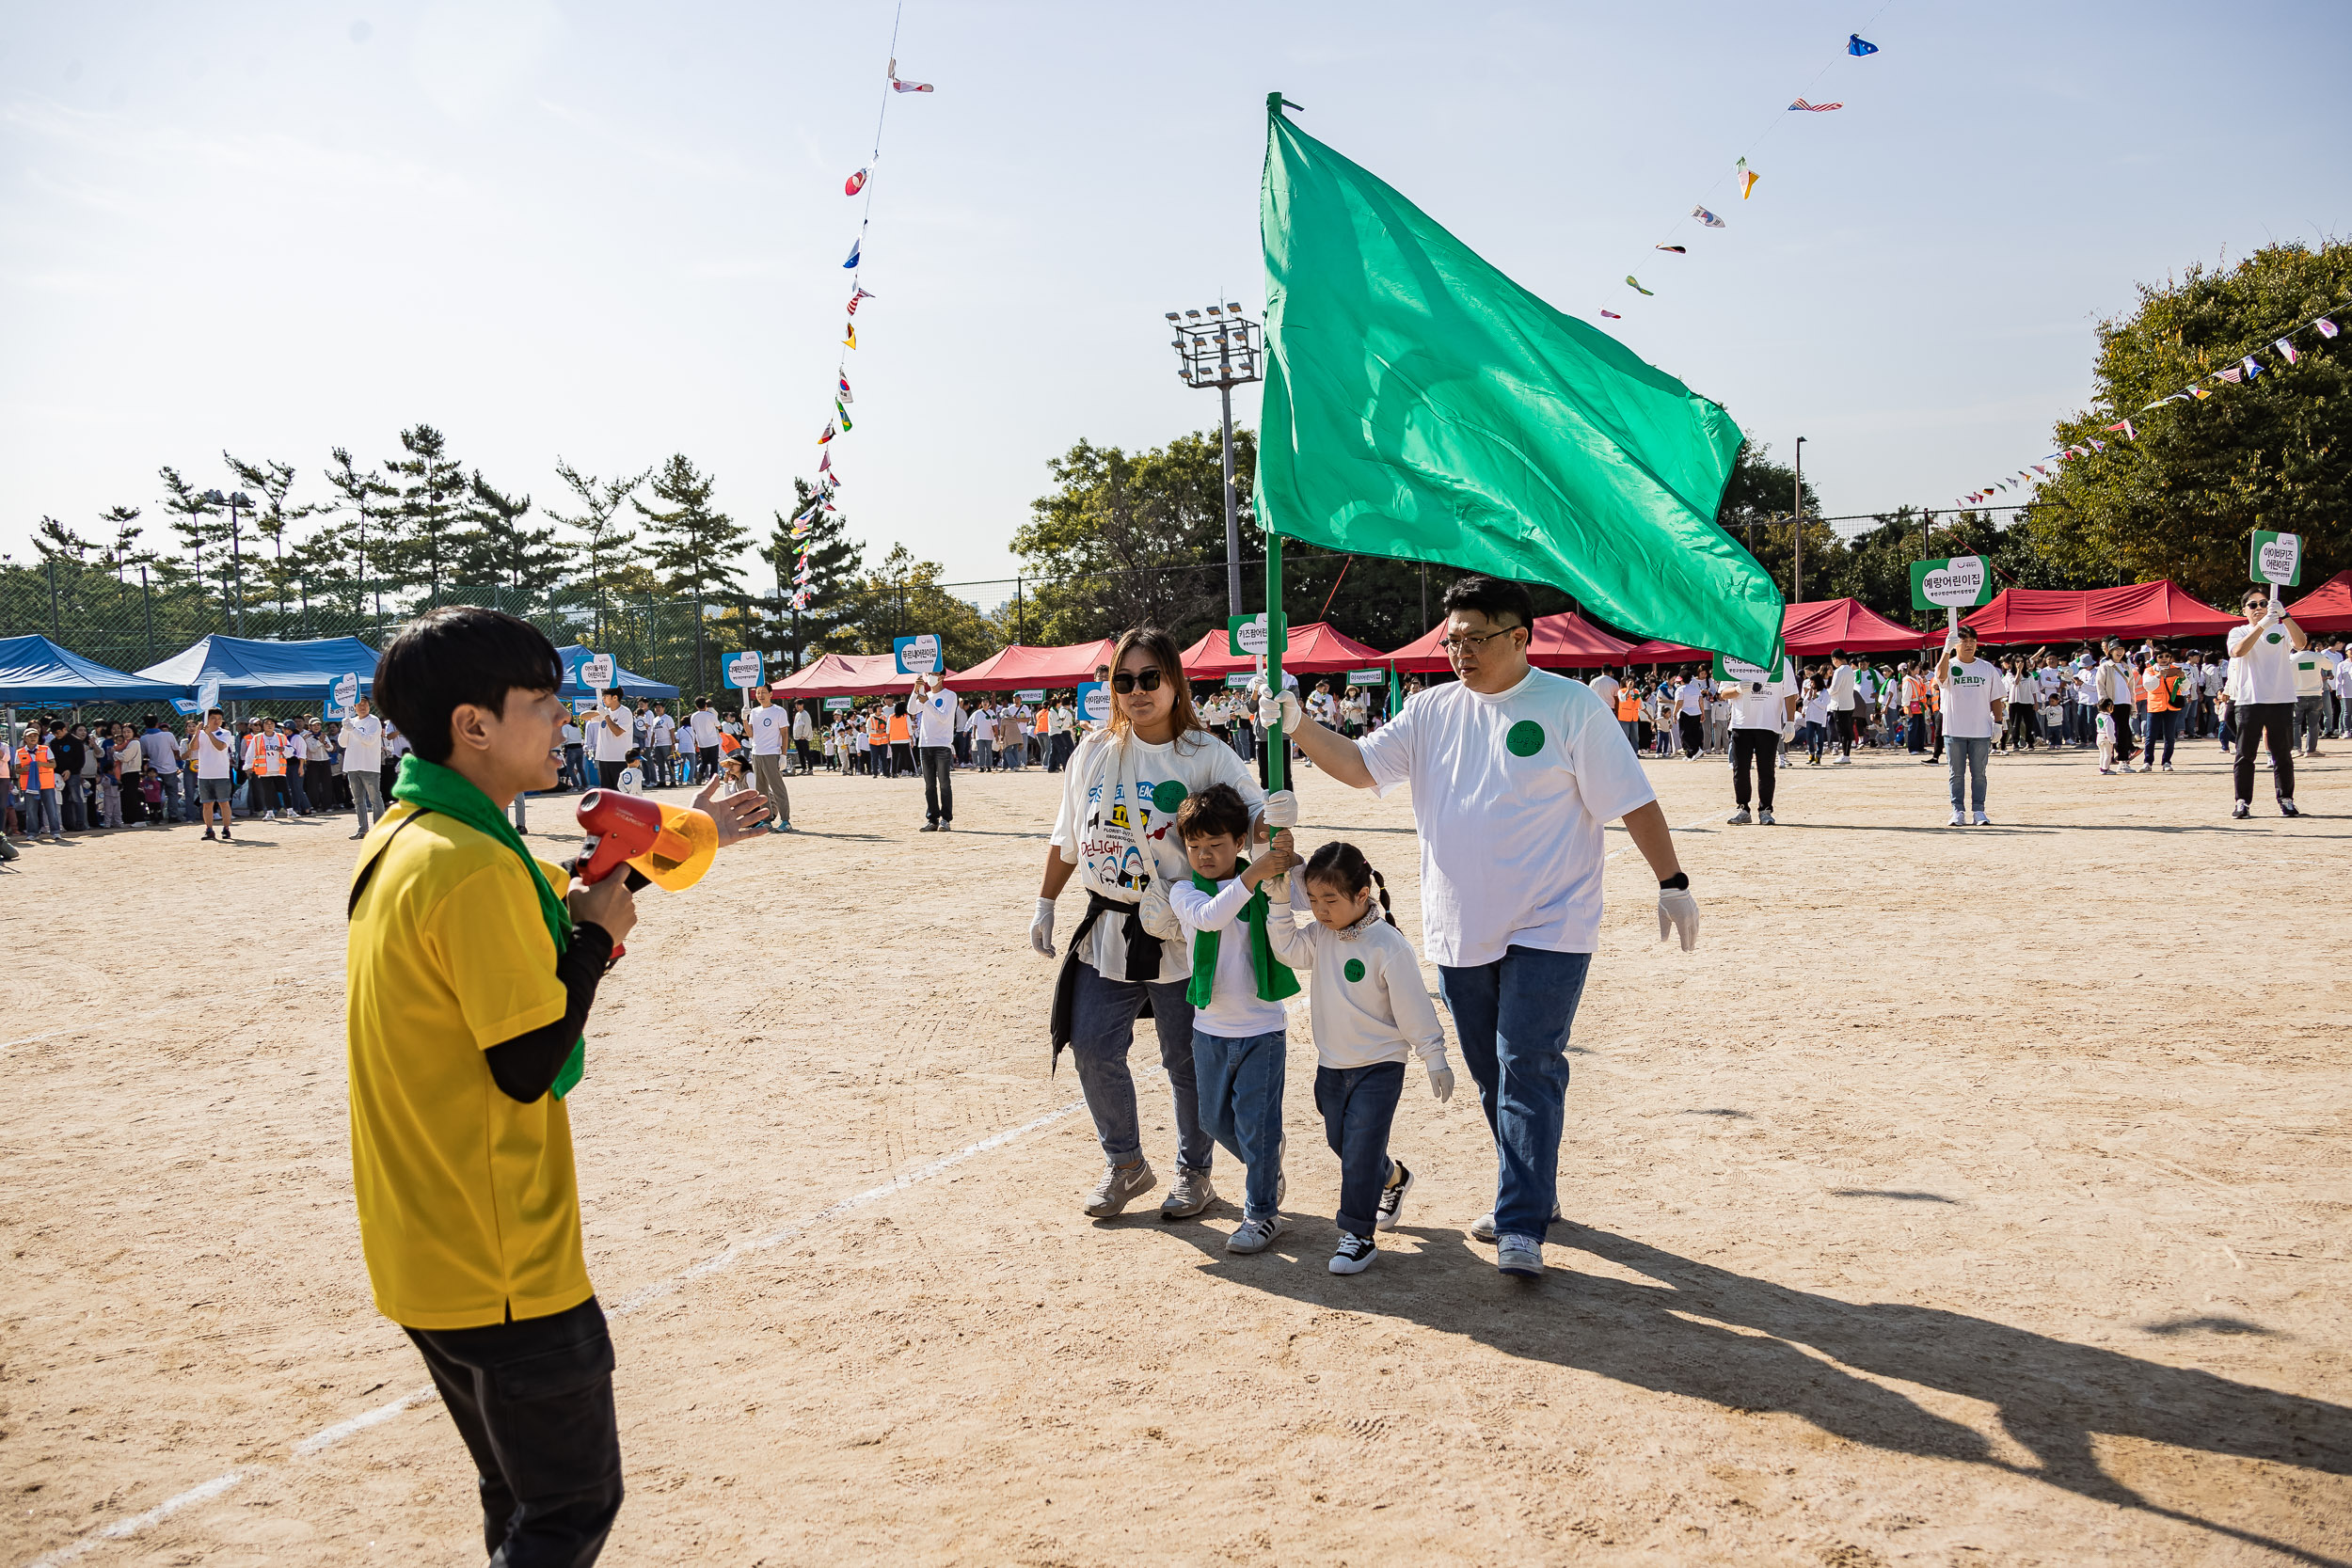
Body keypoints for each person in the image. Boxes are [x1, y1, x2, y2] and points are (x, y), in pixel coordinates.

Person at [346, 608, 764, 1568]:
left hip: (425, 1245)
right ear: (473, 724)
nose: (561, 719)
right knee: (572, 1505)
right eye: (541, 702)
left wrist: (679, 844)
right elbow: (528, 1060)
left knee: (520, 1491)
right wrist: (591, 943)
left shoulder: (410, 837)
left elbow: (572, 892)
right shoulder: (467, 868)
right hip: (501, 1255)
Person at [1266, 575, 1697, 1279]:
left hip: (1551, 924)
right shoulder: (1431, 709)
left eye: (1475, 636)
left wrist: (1671, 880)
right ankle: (1534, 1182)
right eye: (1452, 637)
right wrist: (1298, 727)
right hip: (1460, 928)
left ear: (1520, 636)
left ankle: (1519, 1220)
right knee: (1490, 1074)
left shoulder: (1570, 707)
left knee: (1527, 1062)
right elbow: (1359, 765)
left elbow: (1632, 799)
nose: (1459, 649)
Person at [1035, 626, 1281, 1223]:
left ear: (1175, 681)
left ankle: (1194, 1173)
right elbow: (1069, 838)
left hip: (1183, 929)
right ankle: (1125, 1162)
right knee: (1091, 1045)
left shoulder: (1208, 754)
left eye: (1150, 678)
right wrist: (1045, 903)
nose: (1138, 691)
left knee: (1185, 1060)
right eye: (1124, 680)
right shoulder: (1091, 752)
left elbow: (1254, 827)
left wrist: (1275, 819)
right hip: (1107, 928)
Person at [1262, 840, 1453, 1275]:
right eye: (1312, 900)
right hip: (1331, 1065)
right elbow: (1287, 950)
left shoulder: (1388, 945)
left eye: (1330, 900)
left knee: (1360, 1150)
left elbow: (1413, 1006)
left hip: (1381, 1066)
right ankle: (1392, 1177)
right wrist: (1278, 906)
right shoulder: (1321, 935)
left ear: (1361, 895)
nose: (1320, 910)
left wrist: (1433, 1055)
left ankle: (1358, 1235)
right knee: (1345, 1145)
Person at [1162, 784, 1303, 1254]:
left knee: (1256, 1125)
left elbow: (1306, 894)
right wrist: (1254, 875)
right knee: (1214, 1120)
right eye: (1195, 846)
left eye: (1216, 845)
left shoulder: (1265, 880)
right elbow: (1209, 919)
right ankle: (1266, 1157)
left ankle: (1261, 1213)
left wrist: (1287, 858)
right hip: (1209, 1031)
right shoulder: (1184, 891)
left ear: (1240, 841)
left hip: (1262, 1028)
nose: (1204, 855)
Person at [2227, 589, 2305, 819]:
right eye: (2253, 605)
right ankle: (2242, 802)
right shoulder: (2238, 631)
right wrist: (2261, 627)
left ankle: (2286, 799)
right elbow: (2238, 651)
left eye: (2263, 603)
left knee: (2282, 754)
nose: (2259, 608)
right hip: (2250, 699)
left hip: (2281, 698)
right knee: (2245, 754)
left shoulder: (2281, 628)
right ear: (2244, 610)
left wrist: (2286, 616)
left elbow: (2300, 644)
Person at [1935, 625, 2007, 827]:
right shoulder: (1948, 664)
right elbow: (1940, 677)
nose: (1969, 645)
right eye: (1964, 641)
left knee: (1979, 774)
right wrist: (1945, 650)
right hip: (1954, 729)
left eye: (1972, 641)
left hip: (1980, 729)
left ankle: (1979, 811)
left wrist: (1998, 723)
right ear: (1957, 644)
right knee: (1956, 774)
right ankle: (1957, 810)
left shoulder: (1986, 668)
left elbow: (1996, 698)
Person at [1724, 658, 1799, 826]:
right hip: (1741, 724)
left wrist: (1790, 722)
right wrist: (1737, 689)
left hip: (1768, 724)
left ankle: (1765, 810)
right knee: (1740, 769)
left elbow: (1790, 693)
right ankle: (1743, 809)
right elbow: (1723, 693)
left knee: (1766, 769)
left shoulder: (1781, 661)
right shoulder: (1734, 660)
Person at [910, 673, 961, 831]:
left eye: (934, 675)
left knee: (944, 783)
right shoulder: (927, 694)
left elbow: (944, 718)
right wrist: (915, 690)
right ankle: (932, 819)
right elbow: (911, 709)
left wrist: (927, 702)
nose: (930, 678)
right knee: (929, 785)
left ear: (942, 677)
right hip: (925, 744)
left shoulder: (950, 695)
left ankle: (946, 819)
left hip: (942, 745)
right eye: (929, 675)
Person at [746, 685, 794, 832]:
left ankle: (786, 821)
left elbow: (785, 733)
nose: (760, 695)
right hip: (756, 753)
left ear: (771, 694)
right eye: (758, 693)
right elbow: (750, 734)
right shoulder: (754, 712)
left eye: (763, 693)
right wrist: (743, 718)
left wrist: (783, 755)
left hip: (772, 753)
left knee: (777, 787)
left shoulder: (779, 711)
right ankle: (766, 819)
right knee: (761, 789)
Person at [342, 697, 387, 838]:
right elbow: (342, 743)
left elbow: (368, 740)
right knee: (358, 800)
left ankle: (379, 830)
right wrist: (344, 729)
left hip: (369, 766)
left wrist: (352, 729)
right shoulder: (352, 721)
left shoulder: (374, 721)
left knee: (375, 799)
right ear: (354, 707)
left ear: (369, 706)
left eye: (365, 704)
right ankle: (363, 829)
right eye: (359, 705)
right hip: (352, 766)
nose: (362, 707)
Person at [189, 707, 236, 841]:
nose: (217, 721)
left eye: (219, 719)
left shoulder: (225, 733)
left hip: (221, 774)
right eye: (213, 719)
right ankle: (209, 829)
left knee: (224, 802)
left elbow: (221, 747)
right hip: (204, 774)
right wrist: (197, 733)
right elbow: (193, 748)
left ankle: (226, 829)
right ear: (207, 720)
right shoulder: (201, 733)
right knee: (207, 804)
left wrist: (209, 733)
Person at [589, 689, 632, 790]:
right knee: (607, 791)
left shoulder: (625, 712)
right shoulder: (604, 712)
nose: (603, 699)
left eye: (606, 696)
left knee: (620, 791)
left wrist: (606, 717)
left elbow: (617, 732)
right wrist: (598, 712)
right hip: (604, 758)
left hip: (619, 758)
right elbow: (583, 716)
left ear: (615, 697)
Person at [1826, 652, 1858, 764]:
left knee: (1842, 732)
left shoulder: (1839, 671)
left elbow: (1834, 689)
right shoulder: (1850, 669)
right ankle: (1846, 754)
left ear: (1835, 659)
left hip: (1840, 705)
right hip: (1849, 704)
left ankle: (1845, 755)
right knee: (1848, 731)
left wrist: (1825, 692)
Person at [791, 701, 817, 776]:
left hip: (803, 738)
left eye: (798, 705)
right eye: (796, 705)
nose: (797, 706)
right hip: (797, 737)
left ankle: (810, 769)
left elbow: (807, 725)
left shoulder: (805, 714)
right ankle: (803, 768)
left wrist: (804, 735)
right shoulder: (797, 714)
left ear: (802, 705)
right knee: (800, 754)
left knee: (806, 753)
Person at [2095, 698, 2120, 774]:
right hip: (2106, 737)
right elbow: (2109, 730)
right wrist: (2112, 740)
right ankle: (2105, 769)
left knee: (2102, 753)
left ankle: (2101, 767)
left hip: (2099, 736)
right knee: (2108, 754)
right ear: (2109, 707)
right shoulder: (2108, 718)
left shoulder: (2099, 716)